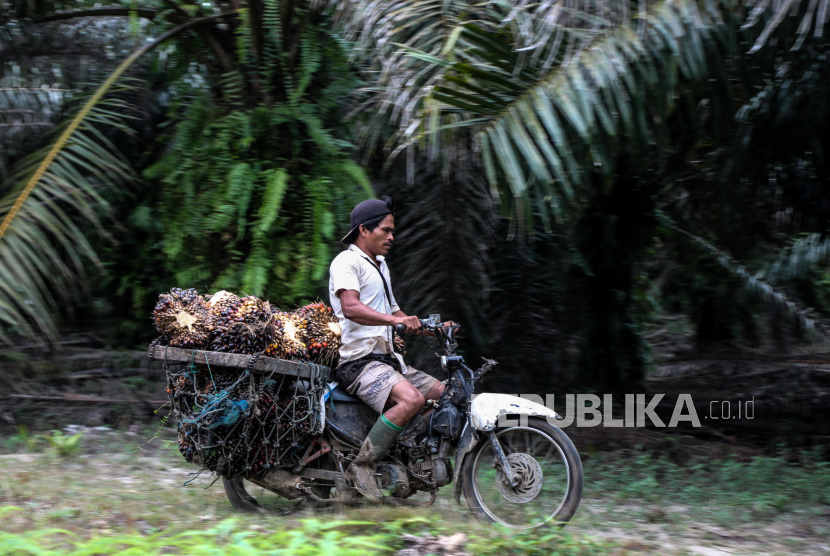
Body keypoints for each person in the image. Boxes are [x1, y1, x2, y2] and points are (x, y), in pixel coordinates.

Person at [328, 196, 450, 502]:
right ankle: (362, 465)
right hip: (358, 362)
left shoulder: (380, 266)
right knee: (411, 399)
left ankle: (408, 462)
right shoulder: (347, 261)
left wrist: (431, 326)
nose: (392, 237)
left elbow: (395, 314)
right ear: (364, 230)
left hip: (388, 361)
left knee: (443, 393)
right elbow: (351, 308)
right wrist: (395, 322)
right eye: (386, 230)